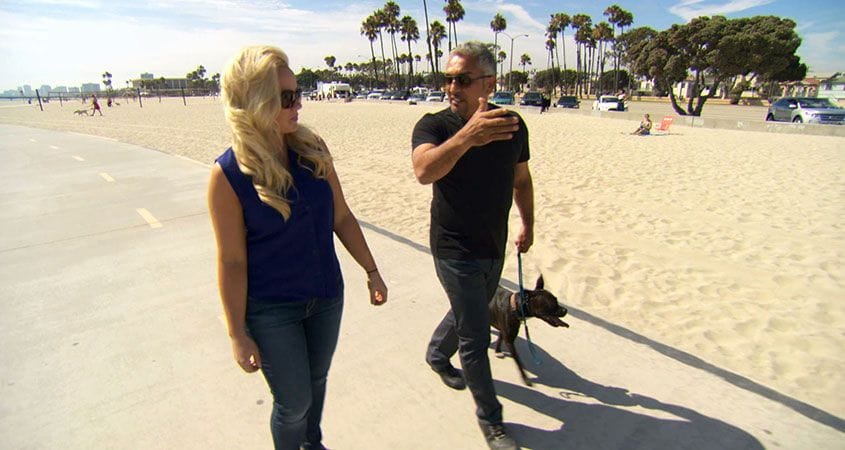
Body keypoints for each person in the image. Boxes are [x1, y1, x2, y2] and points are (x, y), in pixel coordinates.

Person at [207, 45, 388, 450]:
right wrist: (237, 332)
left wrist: (371, 270)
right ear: (255, 102)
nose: (298, 104)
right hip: (272, 310)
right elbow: (232, 261)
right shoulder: (228, 176)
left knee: (318, 382)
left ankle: (312, 442)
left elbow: (341, 216)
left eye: (298, 92)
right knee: (293, 402)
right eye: (285, 97)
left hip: (326, 297)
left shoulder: (312, 149)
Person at [411, 41, 533, 450]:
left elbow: (522, 180)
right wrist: (468, 136)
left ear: (489, 83)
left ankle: (434, 354)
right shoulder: (434, 126)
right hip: (453, 248)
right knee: (476, 337)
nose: (451, 87)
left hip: (493, 246)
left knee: (472, 314)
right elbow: (425, 170)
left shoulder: (512, 126)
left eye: (462, 79)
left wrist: (527, 225)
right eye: (447, 79)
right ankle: (492, 423)